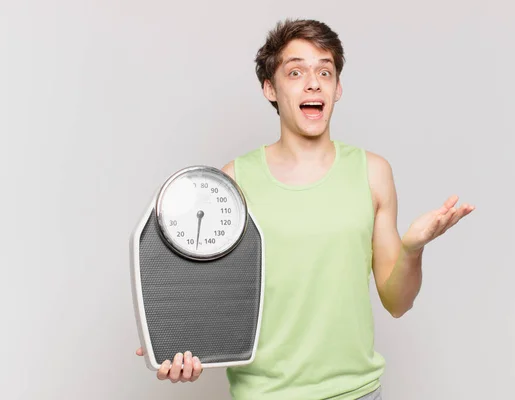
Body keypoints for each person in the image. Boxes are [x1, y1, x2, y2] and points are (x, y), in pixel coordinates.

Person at [136, 18, 475, 399]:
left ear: (338, 88)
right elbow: (211, 299)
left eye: (324, 71)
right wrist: (178, 347)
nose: (313, 82)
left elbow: (398, 302)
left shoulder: (374, 174)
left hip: (357, 393)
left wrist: (413, 250)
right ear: (270, 89)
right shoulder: (232, 183)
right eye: (295, 71)